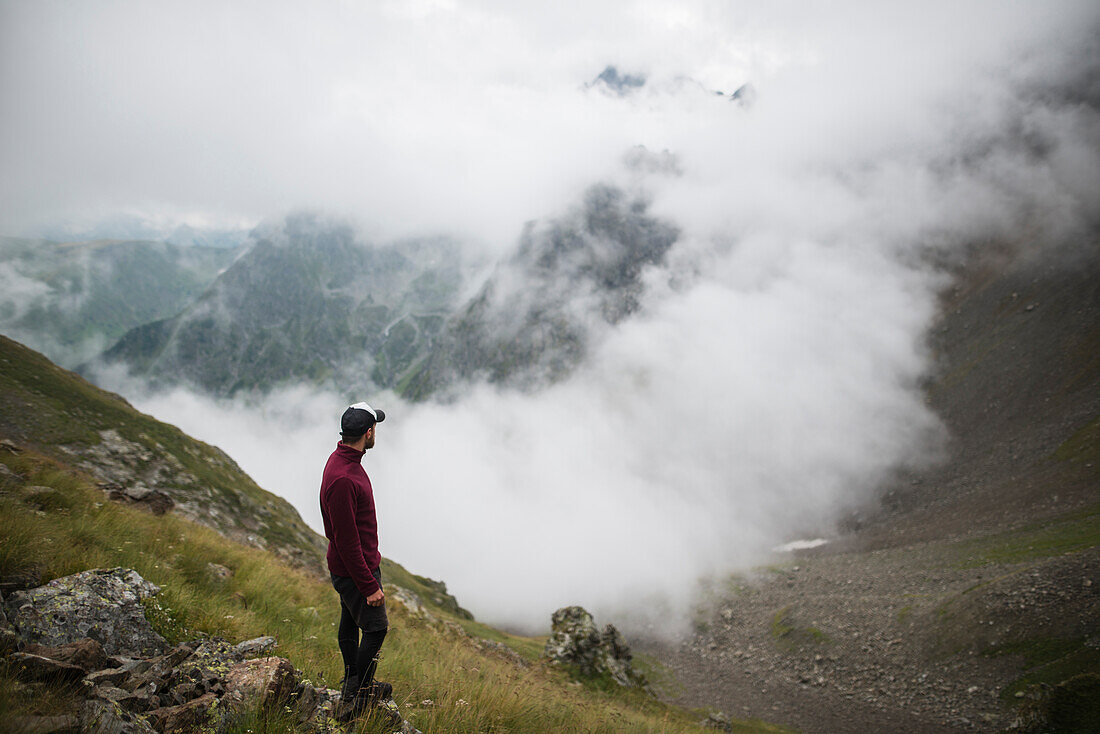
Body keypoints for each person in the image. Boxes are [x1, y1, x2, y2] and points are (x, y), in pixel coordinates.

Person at [319, 401, 393, 713]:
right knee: (376, 628)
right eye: (374, 426)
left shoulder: (342, 461)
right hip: (355, 569)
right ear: (368, 432)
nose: (375, 431)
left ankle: (354, 681)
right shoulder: (345, 477)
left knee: (350, 620)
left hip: (350, 565)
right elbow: (347, 541)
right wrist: (368, 586)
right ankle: (358, 695)